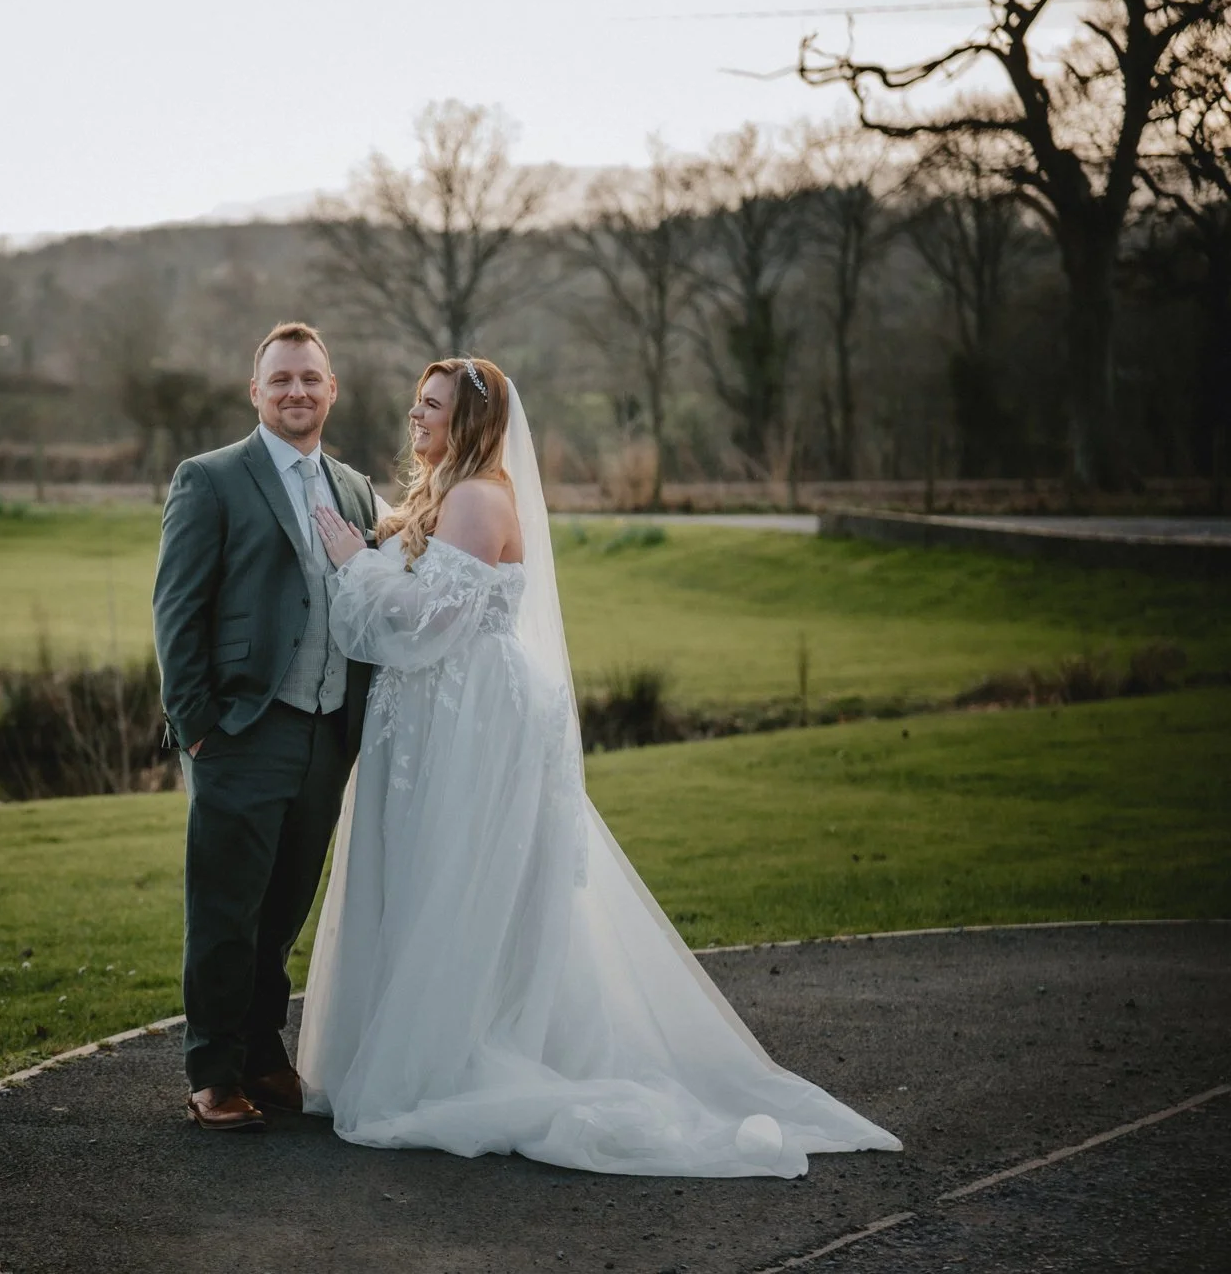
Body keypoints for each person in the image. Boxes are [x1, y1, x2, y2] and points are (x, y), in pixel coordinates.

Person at [297, 356, 902, 1177]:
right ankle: (413, 1040)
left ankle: (446, 1053)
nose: (416, 418)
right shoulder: (448, 492)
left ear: (469, 422)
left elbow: (431, 620)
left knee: (454, 875)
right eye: (415, 404)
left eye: (431, 407)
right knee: (422, 874)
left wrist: (352, 566)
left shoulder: (477, 497)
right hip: (434, 718)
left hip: (471, 718)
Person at [152, 320, 382, 1131]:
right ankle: (212, 1071)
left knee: (283, 907)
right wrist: (197, 724)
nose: (297, 392)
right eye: (280, 379)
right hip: (243, 730)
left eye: (311, 379)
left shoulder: (354, 489)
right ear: (256, 391)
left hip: (327, 734)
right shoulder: (210, 478)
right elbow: (177, 608)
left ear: (332, 389)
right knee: (225, 910)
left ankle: (262, 1052)